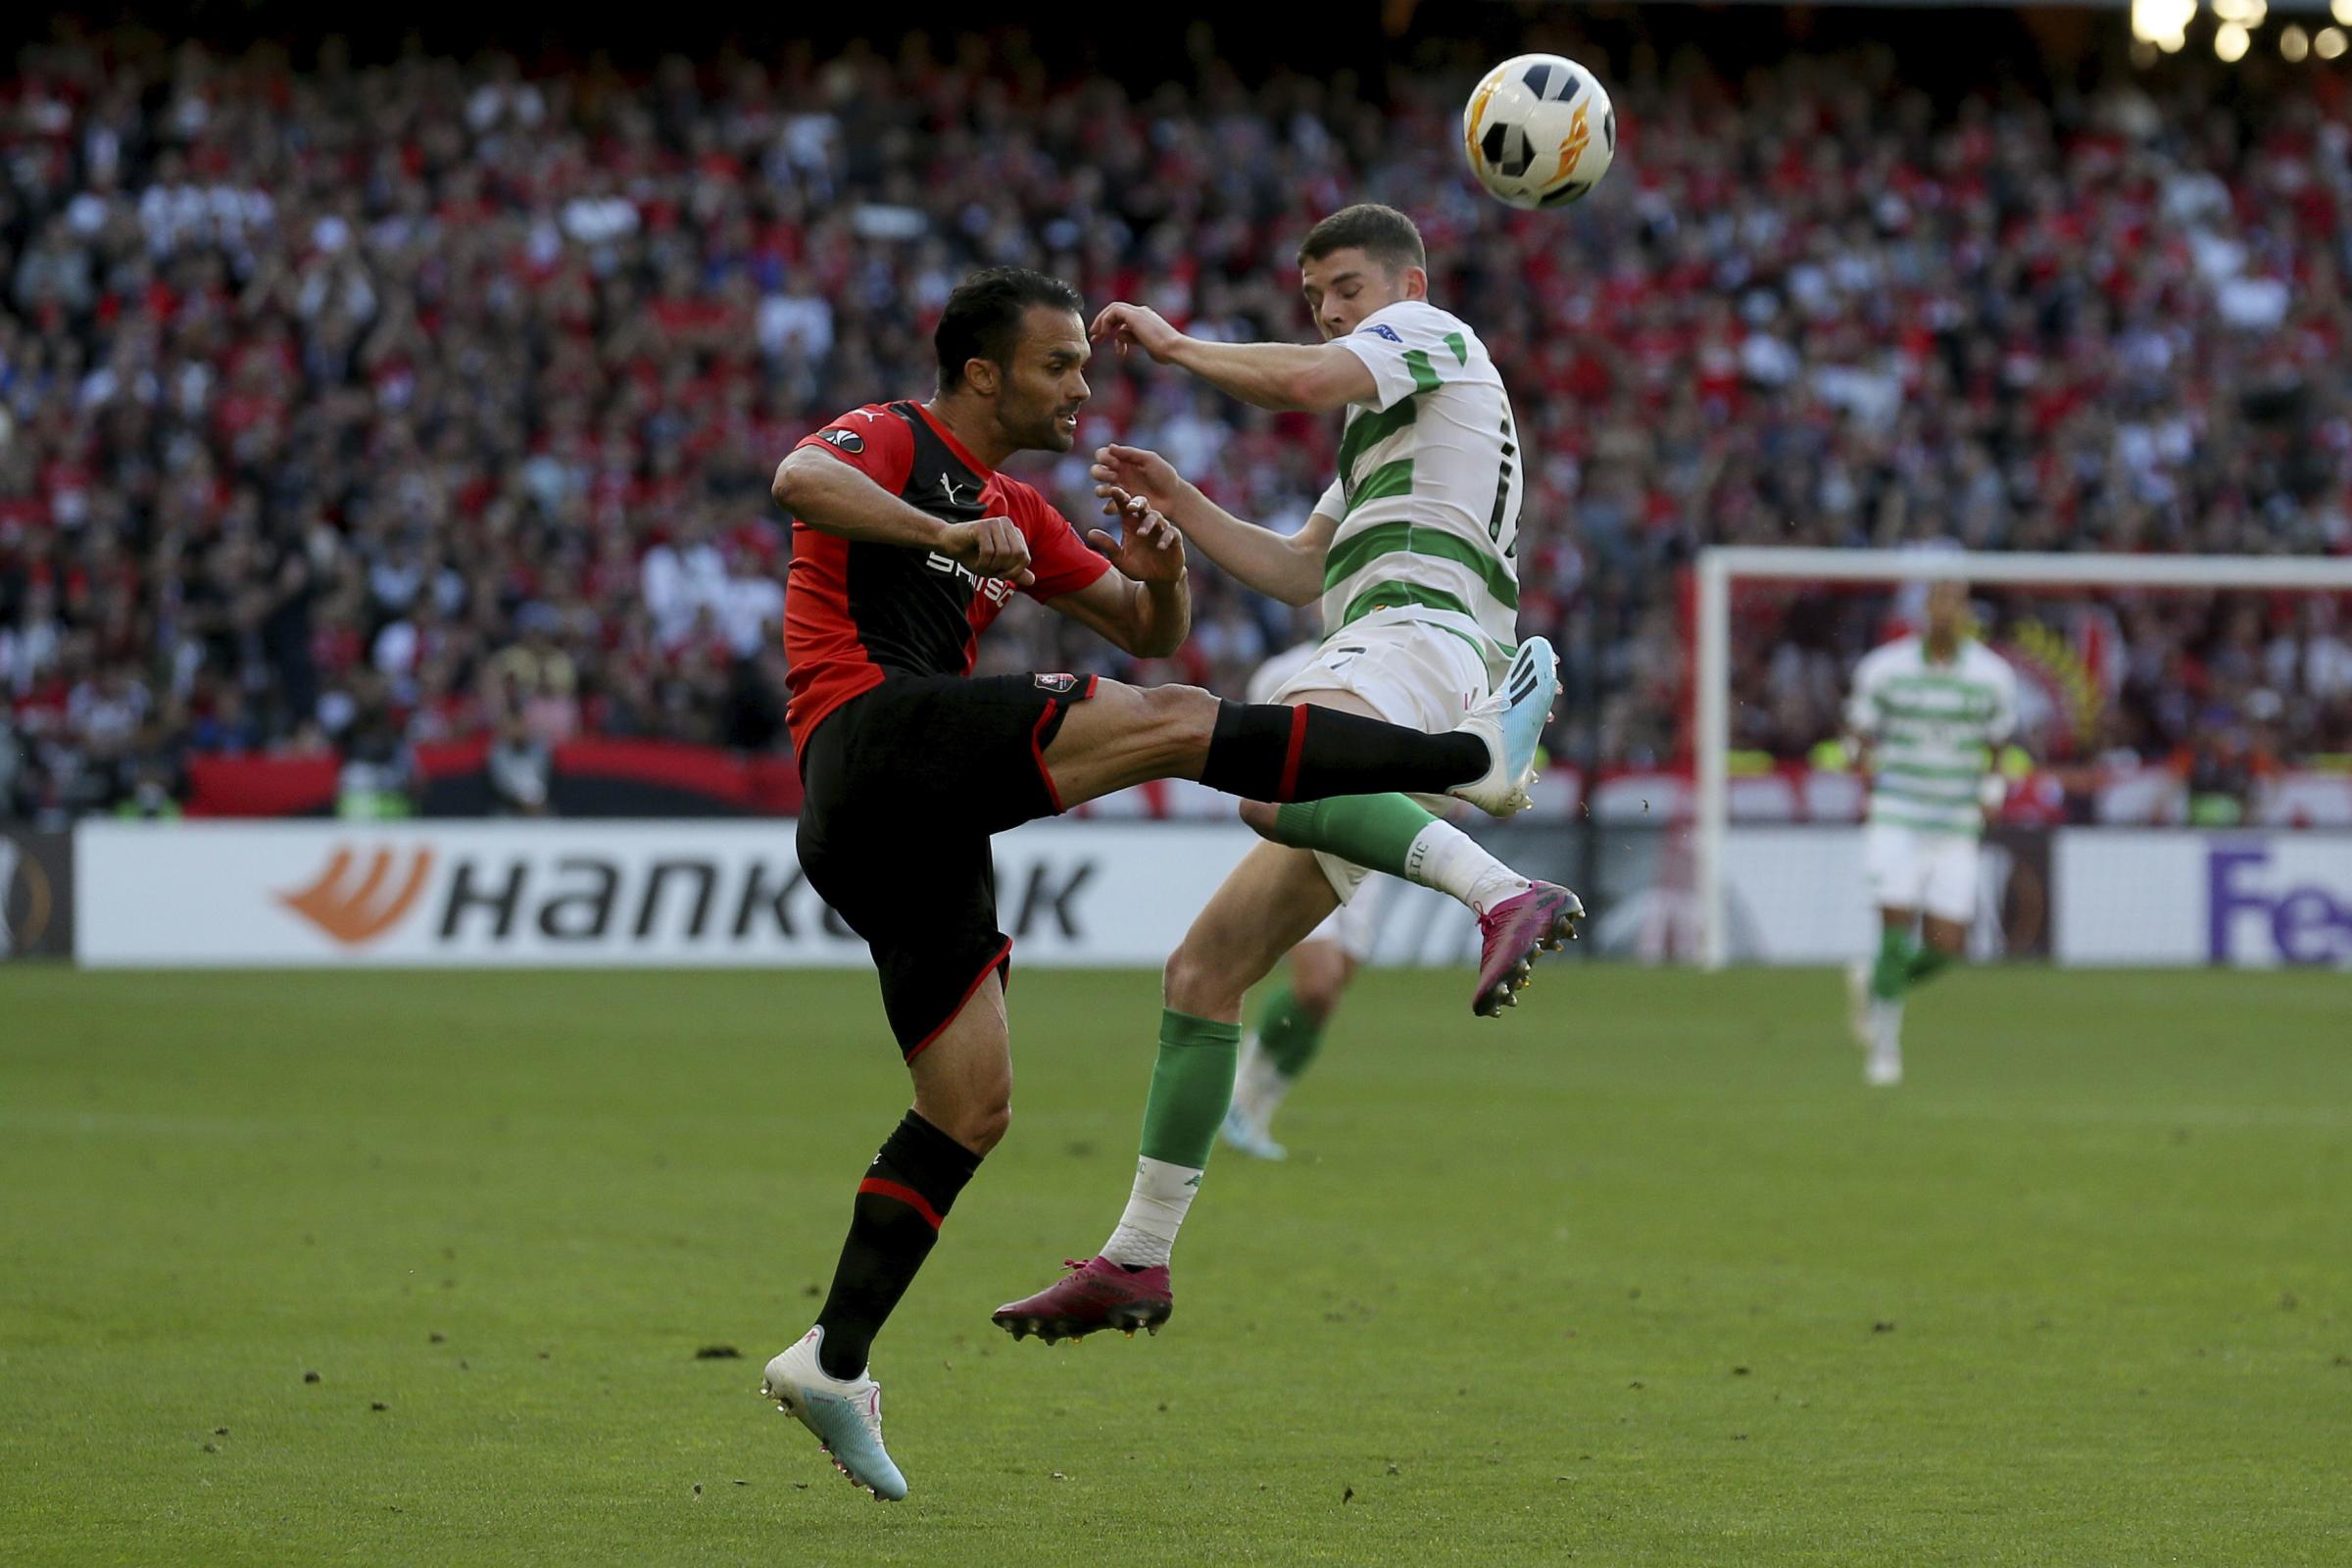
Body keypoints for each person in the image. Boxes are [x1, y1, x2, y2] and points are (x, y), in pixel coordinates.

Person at [758, 267, 1561, 1501]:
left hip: (898, 830)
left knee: (970, 1107)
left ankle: (832, 1358)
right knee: (1186, 725)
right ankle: (1469, 759)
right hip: (871, 734)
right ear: (982, 373)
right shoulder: (895, 437)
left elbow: (1146, 631)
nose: (1084, 386)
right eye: (1059, 365)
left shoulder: (1020, 502)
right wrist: (941, 532)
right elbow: (798, 483)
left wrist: (1164, 561)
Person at [992, 205, 1581, 1348]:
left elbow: (1303, 380)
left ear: (1408, 280)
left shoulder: (1435, 336)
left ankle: (1500, 885)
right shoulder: (1384, 429)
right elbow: (1298, 567)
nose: (1330, 311)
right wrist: (1183, 500)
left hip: (1416, 633)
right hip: (1394, 642)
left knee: (1268, 773)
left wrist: (1171, 344)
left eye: (1347, 286)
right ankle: (1138, 1259)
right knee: (1205, 970)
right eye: (1316, 296)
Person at [1841, 579, 2022, 1086]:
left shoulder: (1992, 676)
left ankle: (1875, 983)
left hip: (1955, 821)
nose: (1946, 611)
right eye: (1938, 601)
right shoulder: (1885, 669)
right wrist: (1857, 754)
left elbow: (1999, 741)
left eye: (1955, 602)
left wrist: (1993, 787)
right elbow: (1858, 729)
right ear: (1925, 609)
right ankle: (1885, 1049)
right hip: (1897, 814)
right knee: (1896, 930)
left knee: (1947, 946)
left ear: (1966, 612)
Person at [1219, 642, 1394, 1163]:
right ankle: (1240, 1098)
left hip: (1369, 838)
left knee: (1330, 989)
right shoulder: (1284, 669)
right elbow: (1259, 754)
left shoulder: (1397, 655)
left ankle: (1253, 1106)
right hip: (1301, 837)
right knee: (1315, 985)